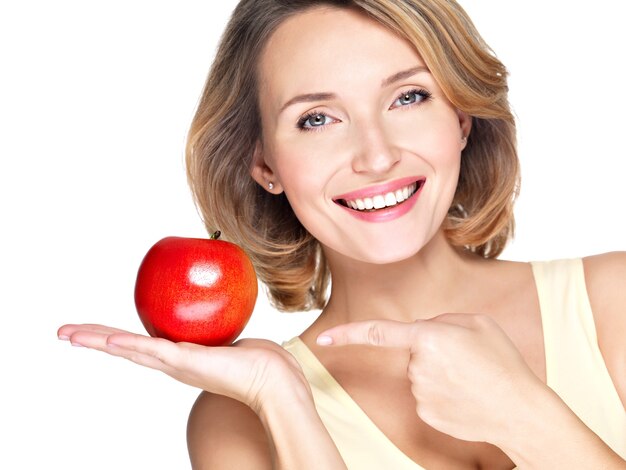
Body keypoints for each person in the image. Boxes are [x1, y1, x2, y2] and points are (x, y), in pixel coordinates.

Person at [58, 0, 626, 468]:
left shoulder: (613, 301)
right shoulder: (238, 420)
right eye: (316, 118)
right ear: (265, 165)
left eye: (409, 96)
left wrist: (519, 414)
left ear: (460, 119)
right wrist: (279, 397)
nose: (376, 157)